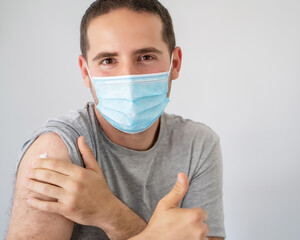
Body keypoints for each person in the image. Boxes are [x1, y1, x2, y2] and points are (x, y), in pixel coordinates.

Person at [6, 0, 225, 239]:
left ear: (175, 63)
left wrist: (109, 213)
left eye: (145, 57)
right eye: (108, 61)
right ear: (85, 71)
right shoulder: (57, 149)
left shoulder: (198, 144)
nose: (128, 77)